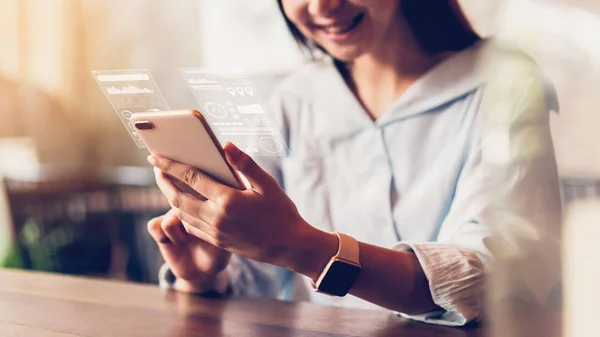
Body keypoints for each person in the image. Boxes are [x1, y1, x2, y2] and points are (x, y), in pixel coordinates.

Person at [147, 0, 561, 326]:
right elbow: (258, 278)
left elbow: (488, 280)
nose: (324, 5)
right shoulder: (294, 100)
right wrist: (204, 275)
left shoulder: (502, 84)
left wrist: (302, 246)